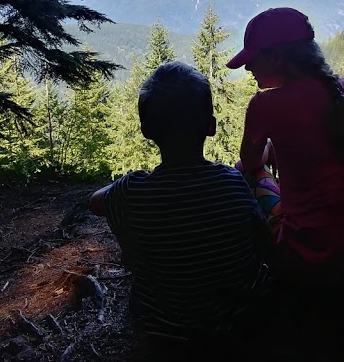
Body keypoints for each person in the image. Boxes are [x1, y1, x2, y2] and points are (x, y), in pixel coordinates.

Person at [88, 61, 271, 348]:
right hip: (240, 324)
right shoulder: (233, 181)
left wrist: (128, 181)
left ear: (147, 131)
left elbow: (95, 202)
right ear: (210, 126)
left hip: (166, 330)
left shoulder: (133, 190)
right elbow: (262, 244)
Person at [227, 7, 344, 284]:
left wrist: (271, 148)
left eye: (252, 59)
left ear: (277, 57)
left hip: (314, 261)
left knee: (243, 170)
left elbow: (252, 162)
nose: (248, 67)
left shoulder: (264, 107)